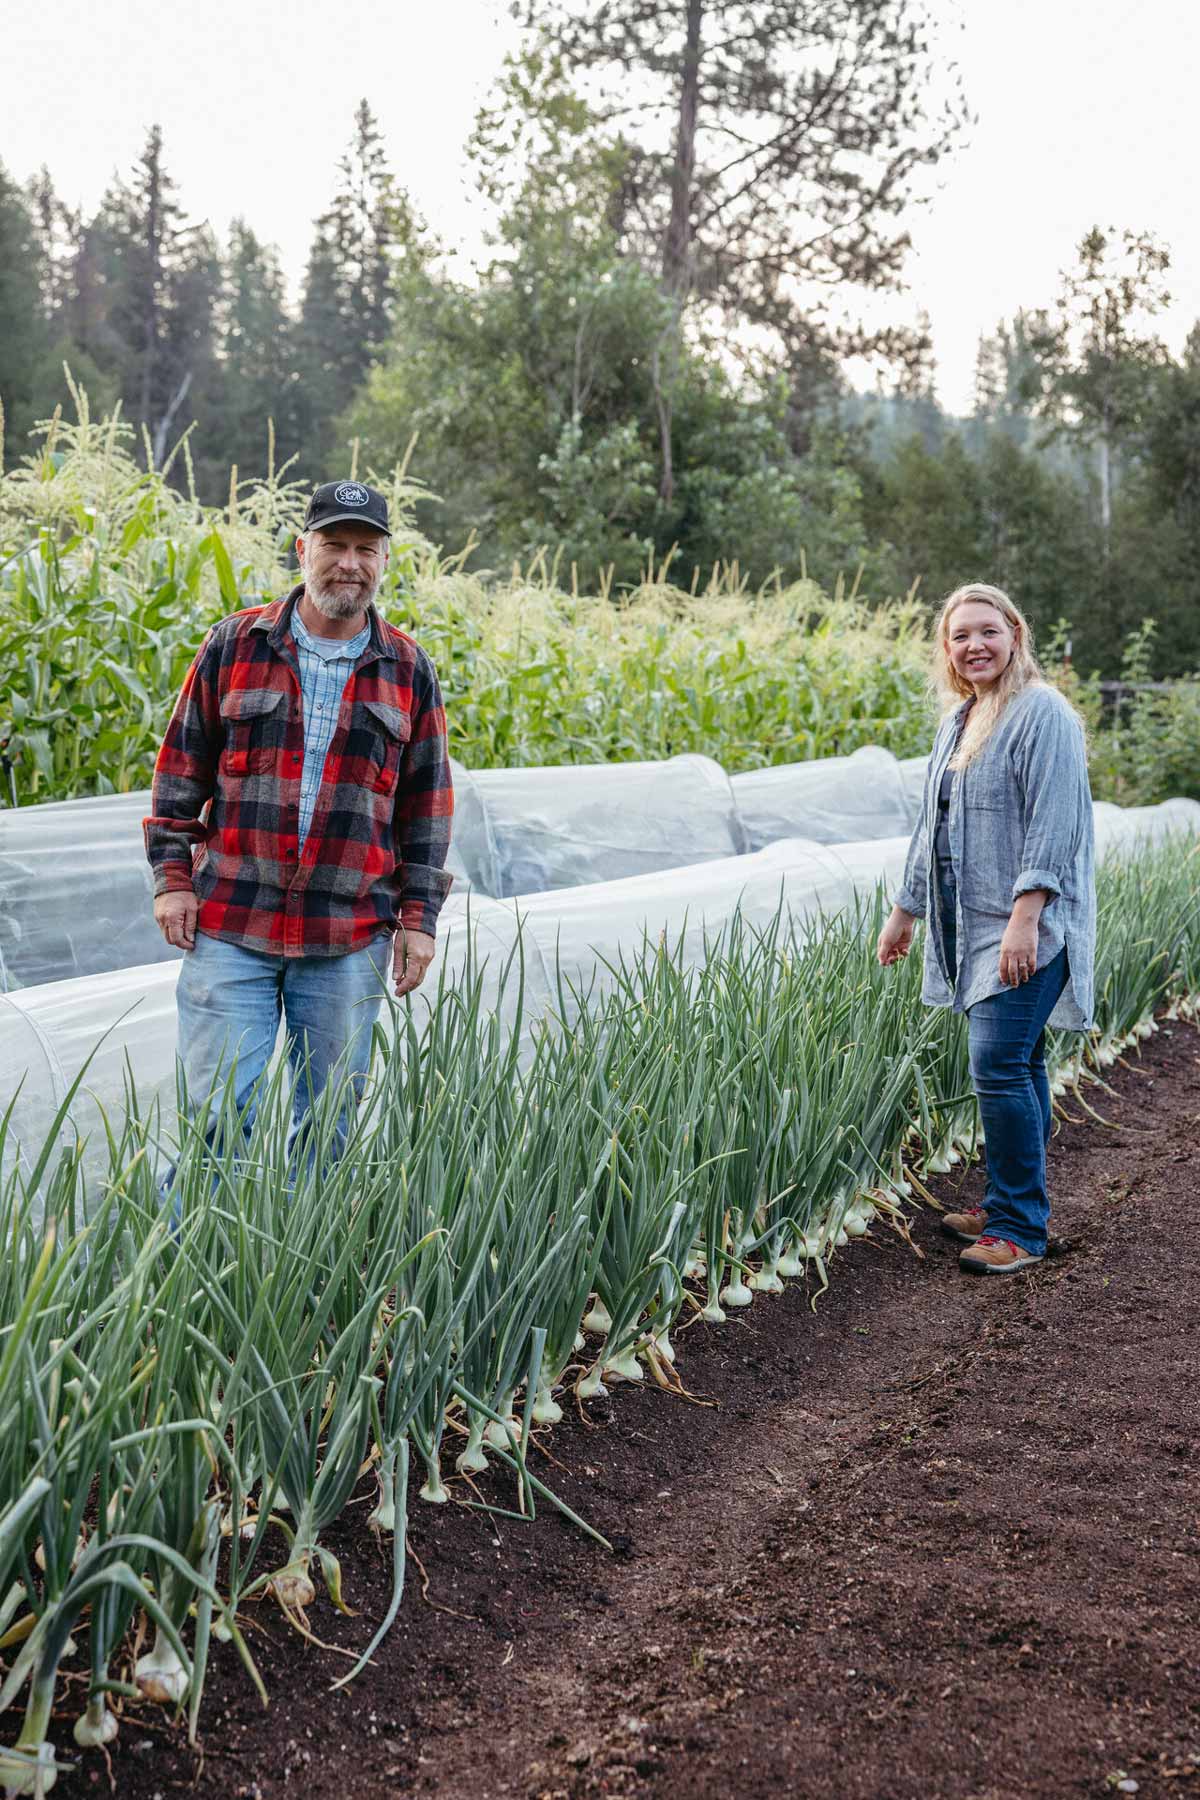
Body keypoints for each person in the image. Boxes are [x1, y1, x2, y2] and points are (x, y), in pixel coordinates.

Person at [143, 479, 454, 1171]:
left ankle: (303, 1280)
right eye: (334, 545)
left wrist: (418, 919)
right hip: (232, 923)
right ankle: (198, 1272)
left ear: (383, 560)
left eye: (365, 549)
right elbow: (180, 770)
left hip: (347, 936)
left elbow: (426, 805)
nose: (349, 563)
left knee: (329, 1129)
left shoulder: (406, 668)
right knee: (219, 1116)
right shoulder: (236, 643)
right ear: (301, 549)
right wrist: (171, 878)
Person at [876, 582, 1095, 1275]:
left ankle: (1020, 1230)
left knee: (997, 1067)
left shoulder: (1042, 714)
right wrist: (904, 912)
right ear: (947, 648)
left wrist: (1026, 919)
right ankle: (1009, 1199)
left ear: (1015, 636)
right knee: (1017, 1064)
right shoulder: (961, 721)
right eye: (961, 635)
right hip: (969, 928)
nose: (975, 645)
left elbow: (1053, 826)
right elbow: (929, 831)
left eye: (988, 632)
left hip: (1026, 928)